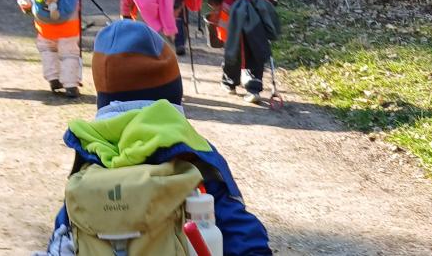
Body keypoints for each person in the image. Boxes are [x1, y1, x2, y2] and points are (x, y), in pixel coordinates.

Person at [38, 20, 273, 256]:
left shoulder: (91, 149)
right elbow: (242, 235)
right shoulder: (192, 152)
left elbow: (64, 233)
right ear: (173, 94)